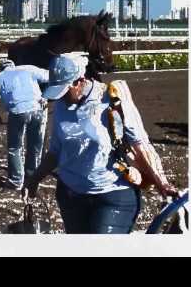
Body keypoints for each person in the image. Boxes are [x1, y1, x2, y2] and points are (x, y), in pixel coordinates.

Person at [22, 54, 178, 234]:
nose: (61, 98)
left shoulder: (111, 100)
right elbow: (56, 151)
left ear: (79, 82)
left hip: (113, 193)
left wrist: (162, 184)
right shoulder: (61, 107)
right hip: (70, 196)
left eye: (64, 91)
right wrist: (34, 180)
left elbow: (139, 144)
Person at [0, 59, 49, 190]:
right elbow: (50, 76)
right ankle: (32, 177)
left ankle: (16, 180)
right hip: (37, 109)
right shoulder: (27, 68)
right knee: (35, 146)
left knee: (15, 147)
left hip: (18, 112)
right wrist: (46, 97)